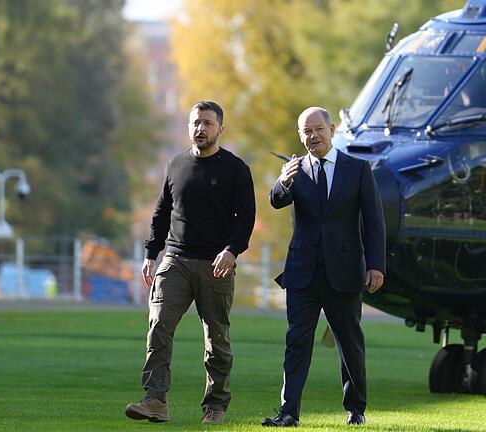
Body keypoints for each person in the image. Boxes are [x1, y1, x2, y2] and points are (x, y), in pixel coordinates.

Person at [125, 100, 256, 424]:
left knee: (217, 338)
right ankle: (155, 401)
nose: (201, 129)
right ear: (189, 126)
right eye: (196, 122)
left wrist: (232, 250)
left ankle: (215, 405)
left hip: (217, 263)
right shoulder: (176, 165)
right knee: (159, 326)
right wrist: (150, 255)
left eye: (208, 123)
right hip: (176, 260)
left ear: (220, 129)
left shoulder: (236, 169)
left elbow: (246, 216)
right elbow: (161, 213)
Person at [262, 107, 386, 427]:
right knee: (297, 343)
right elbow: (276, 201)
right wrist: (281, 181)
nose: (312, 136)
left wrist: (376, 266)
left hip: (344, 271)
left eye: (318, 129)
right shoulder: (295, 169)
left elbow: (374, 223)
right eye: (306, 131)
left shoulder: (357, 170)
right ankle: (288, 413)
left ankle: (356, 409)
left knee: (349, 344)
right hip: (302, 272)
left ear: (332, 129)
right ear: (300, 135)